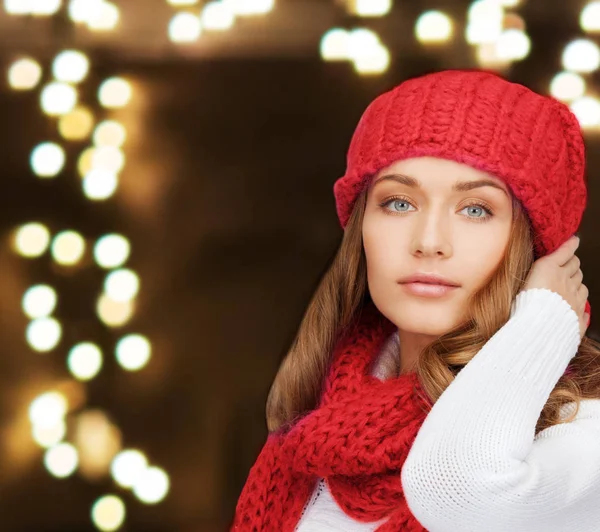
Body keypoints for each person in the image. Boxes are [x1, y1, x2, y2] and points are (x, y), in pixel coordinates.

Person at [229, 69, 600, 532]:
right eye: (399, 203)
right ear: (360, 228)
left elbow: (461, 491)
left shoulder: (583, 436)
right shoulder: (314, 431)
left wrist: (543, 323)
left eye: (476, 209)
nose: (429, 241)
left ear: (536, 248)